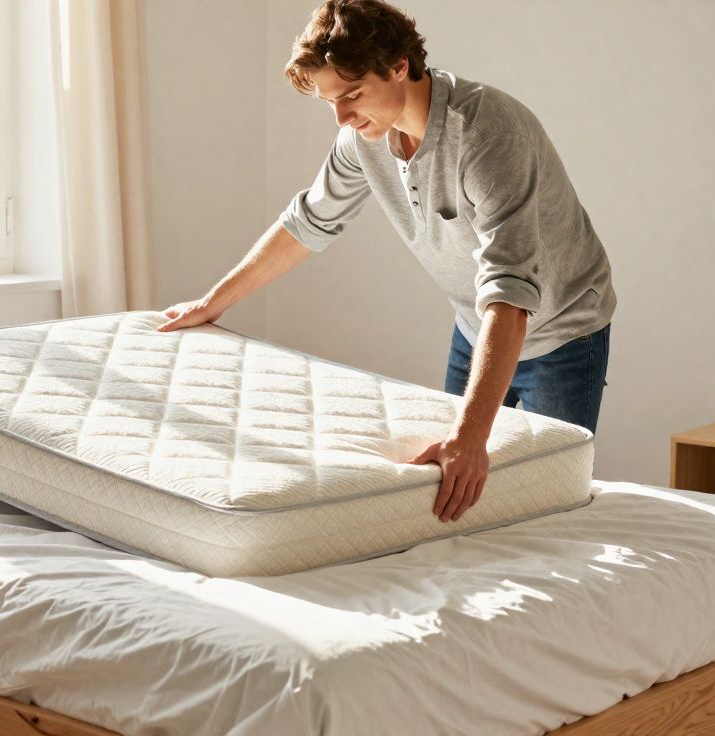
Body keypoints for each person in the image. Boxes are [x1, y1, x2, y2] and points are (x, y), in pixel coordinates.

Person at [157, 0, 615, 524]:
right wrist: (212, 304)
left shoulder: (488, 135)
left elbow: (511, 290)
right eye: (331, 102)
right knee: (452, 497)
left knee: (547, 502)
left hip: (563, 330)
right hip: (476, 326)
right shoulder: (362, 139)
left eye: (352, 95)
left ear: (399, 65)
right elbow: (308, 223)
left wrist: (469, 437)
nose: (344, 118)